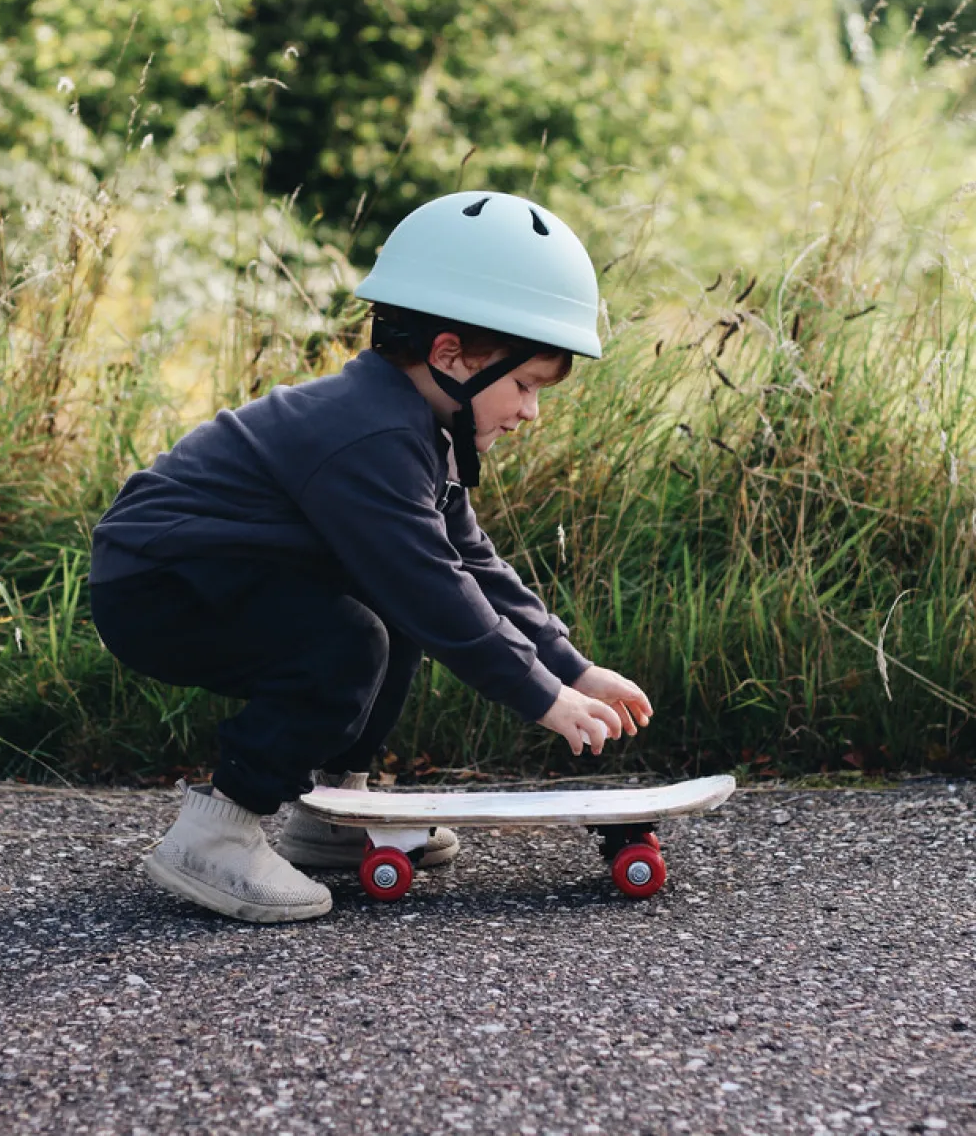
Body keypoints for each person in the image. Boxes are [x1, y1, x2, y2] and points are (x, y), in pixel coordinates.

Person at [89, 190, 652, 922]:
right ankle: (216, 833)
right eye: (523, 385)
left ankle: (333, 810)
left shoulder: (416, 429)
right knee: (349, 639)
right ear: (449, 355)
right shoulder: (372, 437)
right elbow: (435, 589)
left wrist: (571, 666)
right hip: (159, 583)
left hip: (221, 572)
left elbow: (470, 564)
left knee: (387, 616)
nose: (529, 411)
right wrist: (541, 695)